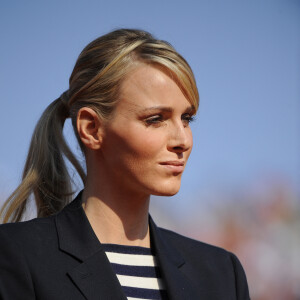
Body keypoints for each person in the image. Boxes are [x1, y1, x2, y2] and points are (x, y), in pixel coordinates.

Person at [0, 29, 250, 300]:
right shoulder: (16, 255)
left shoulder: (222, 274)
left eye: (187, 118)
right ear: (92, 128)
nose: (182, 140)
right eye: (155, 119)